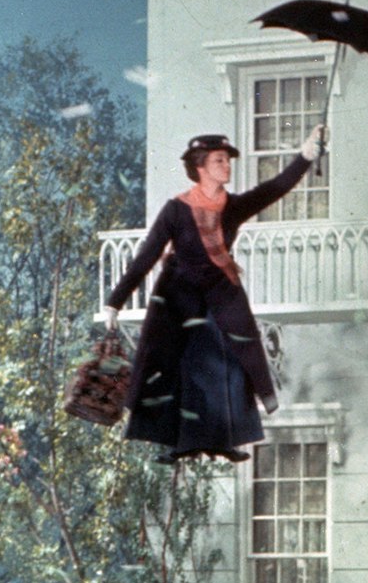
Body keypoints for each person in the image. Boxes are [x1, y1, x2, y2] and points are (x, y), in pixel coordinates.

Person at [100, 127, 325, 463]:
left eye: (227, 160)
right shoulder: (176, 210)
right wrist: (115, 300)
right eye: (219, 160)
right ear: (201, 166)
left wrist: (306, 154)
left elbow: (274, 189)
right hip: (179, 301)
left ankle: (224, 440)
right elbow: (147, 254)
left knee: (229, 368)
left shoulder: (232, 207)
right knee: (179, 371)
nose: (227, 166)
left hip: (219, 296)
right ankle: (179, 443)